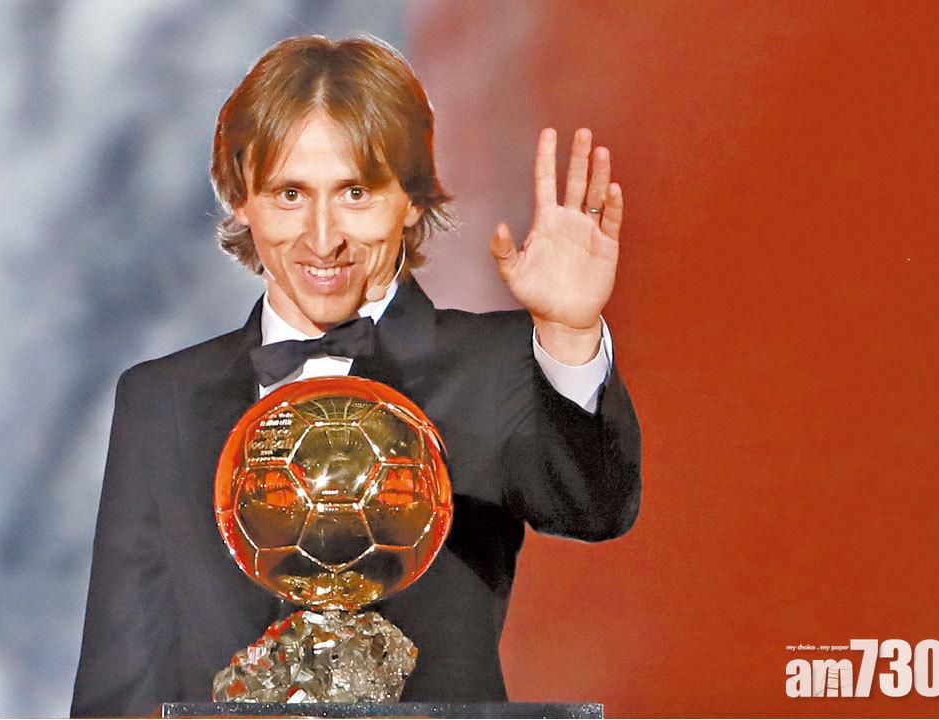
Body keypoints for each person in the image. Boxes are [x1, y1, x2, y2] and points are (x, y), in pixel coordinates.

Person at [71, 35, 641, 717]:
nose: (323, 239)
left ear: (412, 199)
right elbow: (121, 680)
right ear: (241, 200)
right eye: (289, 194)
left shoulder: (494, 366)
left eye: (356, 193)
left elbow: (595, 507)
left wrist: (570, 333)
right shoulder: (160, 399)